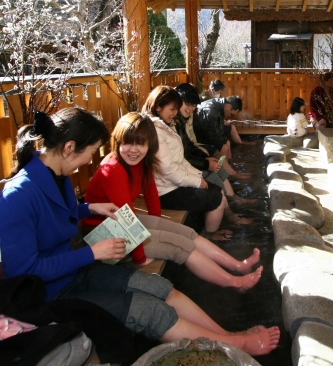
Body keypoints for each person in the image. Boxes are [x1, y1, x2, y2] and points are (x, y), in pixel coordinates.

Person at [0, 108, 280, 356]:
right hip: (52, 296)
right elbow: (24, 271)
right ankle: (236, 345)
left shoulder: (56, 176)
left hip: (75, 272)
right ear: (69, 147)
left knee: (160, 288)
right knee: (151, 311)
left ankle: (229, 338)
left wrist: (89, 208)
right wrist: (92, 252)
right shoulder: (18, 196)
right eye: (89, 152)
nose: (89, 161)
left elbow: (62, 214)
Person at [83, 112, 261, 289]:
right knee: (180, 247)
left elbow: (151, 194)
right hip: (104, 233)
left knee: (187, 233)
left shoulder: (142, 162)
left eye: (141, 143)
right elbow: (125, 220)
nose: (134, 149)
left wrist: (158, 223)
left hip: (123, 221)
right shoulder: (113, 170)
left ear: (150, 144)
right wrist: (140, 258)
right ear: (117, 141)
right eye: (128, 142)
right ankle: (235, 282)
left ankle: (238, 265)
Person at [142, 86, 232, 241]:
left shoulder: (167, 125)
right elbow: (168, 168)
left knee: (217, 183)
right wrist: (199, 176)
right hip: (166, 189)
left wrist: (198, 174)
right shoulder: (156, 130)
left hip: (175, 179)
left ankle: (226, 210)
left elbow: (181, 157)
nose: (175, 113)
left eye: (176, 109)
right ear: (158, 107)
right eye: (172, 109)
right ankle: (209, 234)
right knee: (217, 194)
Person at [174, 83, 255, 206]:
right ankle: (230, 174)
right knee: (222, 148)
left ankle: (230, 173)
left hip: (195, 145)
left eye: (193, 105)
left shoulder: (218, 106)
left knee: (225, 145)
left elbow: (216, 132)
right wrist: (207, 159)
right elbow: (211, 134)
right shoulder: (211, 111)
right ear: (228, 106)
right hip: (200, 138)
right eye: (232, 112)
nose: (191, 108)